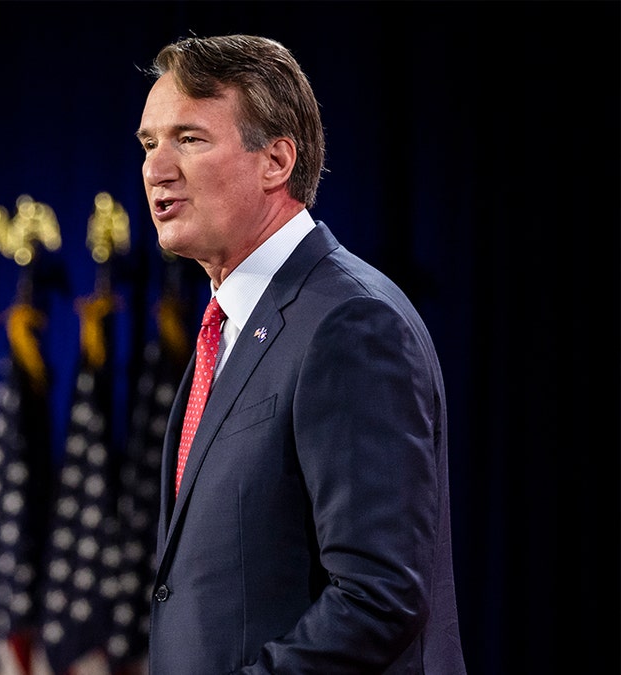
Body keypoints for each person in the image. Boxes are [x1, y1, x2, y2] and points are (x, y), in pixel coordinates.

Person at [136, 34, 467, 673]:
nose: (157, 168)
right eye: (149, 143)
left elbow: (379, 596)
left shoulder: (349, 322)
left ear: (276, 161)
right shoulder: (230, 326)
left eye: (190, 139)